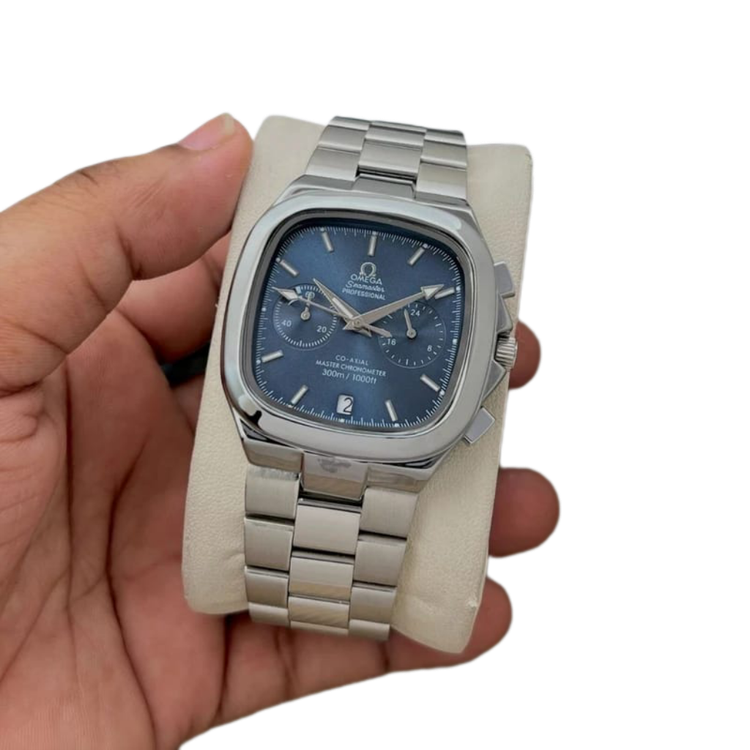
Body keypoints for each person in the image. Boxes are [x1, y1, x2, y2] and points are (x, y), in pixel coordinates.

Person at [0, 112, 560, 747]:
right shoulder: (298, 226)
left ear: (493, 350)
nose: (356, 328)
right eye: (346, 319)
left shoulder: (447, 260)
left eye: (367, 326)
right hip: (281, 430)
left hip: (398, 445)